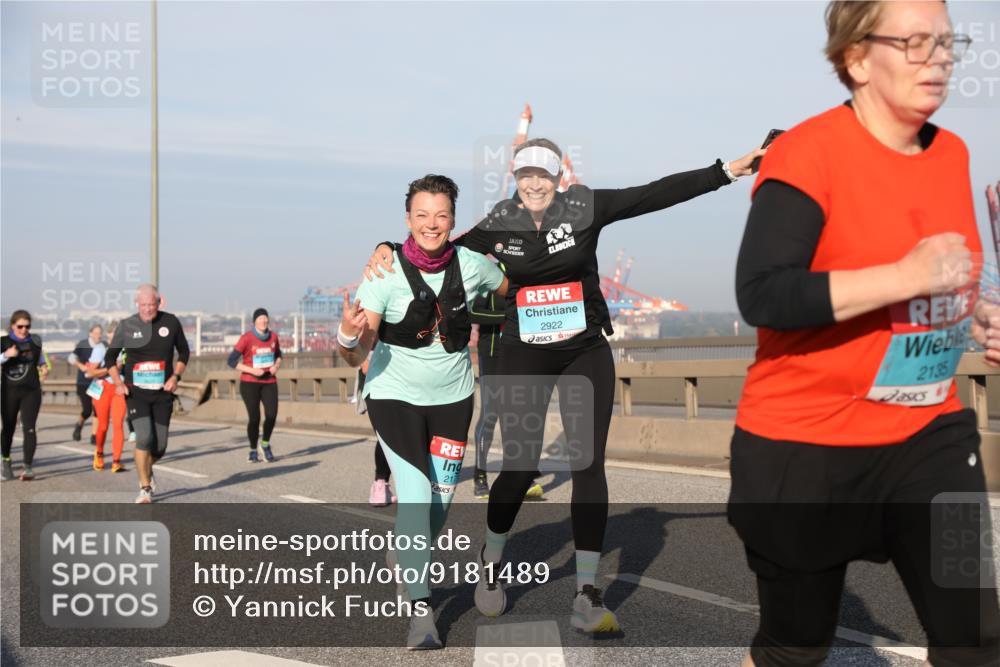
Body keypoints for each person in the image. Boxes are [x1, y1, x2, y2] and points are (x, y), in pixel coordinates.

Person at [368, 139, 762, 631]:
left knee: (588, 464)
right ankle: (491, 561)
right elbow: (435, 246)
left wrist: (728, 170)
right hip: (523, 351)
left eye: (544, 174)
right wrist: (386, 247)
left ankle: (587, 595)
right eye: (525, 175)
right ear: (516, 178)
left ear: (559, 178)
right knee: (521, 466)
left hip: (583, 349)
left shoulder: (585, 207)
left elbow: (654, 194)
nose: (534, 183)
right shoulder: (499, 222)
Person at [730, 2, 999, 666]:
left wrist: (978, 314)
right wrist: (903, 276)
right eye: (914, 42)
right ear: (855, 58)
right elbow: (762, 292)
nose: (939, 58)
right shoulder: (807, 151)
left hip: (928, 434)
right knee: (794, 650)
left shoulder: (952, 153)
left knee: (975, 640)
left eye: (947, 42)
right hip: (806, 445)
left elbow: (942, 273)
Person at [341, 174, 507, 649]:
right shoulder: (384, 271)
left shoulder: (472, 265)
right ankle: (421, 611)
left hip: (453, 398)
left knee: (439, 506)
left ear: (452, 220)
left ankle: (406, 553)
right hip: (393, 396)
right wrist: (349, 334)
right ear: (407, 219)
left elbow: (507, 286)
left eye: (441, 215)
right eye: (422, 215)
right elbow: (356, 353)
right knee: (414, 494)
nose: (431, 224)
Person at [105, 285, 190, 504]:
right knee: (144, 438)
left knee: (159, 446)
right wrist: (118, 383)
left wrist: (175, 377)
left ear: (159, 302)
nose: (147, 309)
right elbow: (109, 358)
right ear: (137, 304)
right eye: (143, 305)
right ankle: (145, 488)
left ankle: (146, 468)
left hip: (162, 393)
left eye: (151, 304)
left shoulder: (171, 322)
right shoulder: (126, 326)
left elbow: (184, 352)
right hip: (136, 393)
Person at [469, 285, 543, 500]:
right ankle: (480, 475)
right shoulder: (489, 276)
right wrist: (508, 315)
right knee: (490, 414)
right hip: (493, 352)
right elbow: (473, 313)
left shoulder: (524, 276)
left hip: (520, 351)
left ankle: (519, 477)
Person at [228, 308, 282, 463]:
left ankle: (265, 444)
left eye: (265, 318)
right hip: (249, 383)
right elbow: (231, 361)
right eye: (260, 319)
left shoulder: (273, 337)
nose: (263, 321)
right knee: (255, 418)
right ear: (254, 322)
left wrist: (276, 366)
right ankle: (252, 449)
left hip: (269, 381)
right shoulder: (246, 338)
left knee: (271, 415)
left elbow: (279, 355)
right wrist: (252, 370)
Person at [1, 310, 48, 481]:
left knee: (29, 428)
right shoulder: (4, 342)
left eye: (27, 326)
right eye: (20, 326)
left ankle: (27, 467)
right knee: (8, 427)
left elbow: (41, 359)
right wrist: (6, 355)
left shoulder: (35, 341)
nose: (24, 330)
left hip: (31, 391)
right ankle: (6, 460)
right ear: (13, 325)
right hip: (9, 391)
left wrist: (44, 367)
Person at [84, 321, 127, 473]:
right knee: (102, 426)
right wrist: (111, 368)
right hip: (102, 388)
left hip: (118, 389)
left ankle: (116, 461)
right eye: (114, 333)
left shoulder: (124, 350)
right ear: (108, 335)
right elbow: (90, 372)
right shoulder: (100, 349)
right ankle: (99, 453)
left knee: (118, 424)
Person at [356, 354, 397, 507]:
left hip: (401, 372)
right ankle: (380, 484)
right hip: (374, 373)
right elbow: (350, 341)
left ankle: (412, 485)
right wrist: (363, 360)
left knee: (402, 433)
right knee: (386, 432)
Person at [69, 324, 102, 443]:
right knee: (87, 410)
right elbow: (71, 358)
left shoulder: (103, 346)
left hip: (97, 383)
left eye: (100, 333)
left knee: (97, 409)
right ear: (90, 333)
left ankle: (94, 435)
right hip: (83, 382)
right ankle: (79, 425)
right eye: (96, 333)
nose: (98, 336)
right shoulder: (83, 344)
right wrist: (80, 366)